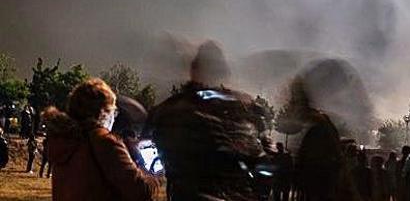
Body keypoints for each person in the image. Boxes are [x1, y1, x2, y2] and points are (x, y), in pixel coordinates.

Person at [145, 41, 268, 200]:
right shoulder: (239, 110)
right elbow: (256, 159)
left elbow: (165, 149)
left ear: (194, 70)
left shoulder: (172, 108)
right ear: (223, 73)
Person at [43, 78, 158, 201]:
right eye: (114, 112)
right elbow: (141, 191)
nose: (114, 118)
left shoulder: (65, 139)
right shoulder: (104, 142)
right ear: (103, 113)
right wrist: (154, 170)